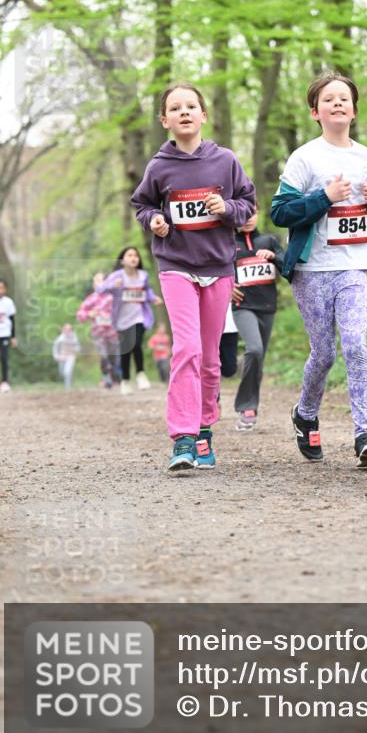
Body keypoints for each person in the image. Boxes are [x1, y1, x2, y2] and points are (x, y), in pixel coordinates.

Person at [131, 81, 256, 473]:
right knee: (186, 348)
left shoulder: (225, 161)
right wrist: (154, 220)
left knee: (210, 357)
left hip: (218, 267)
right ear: (165, 120)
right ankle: (182, 437)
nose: (184, 112)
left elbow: (249, 205)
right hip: (176, 266)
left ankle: (204, 430)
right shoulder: (159, 166)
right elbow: (142, 204)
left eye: (191, 106)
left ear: (203, 115)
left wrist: (227, 208)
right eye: (175, 108)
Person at [271, 70, 367, 468]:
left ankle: (365, 435)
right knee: (323, 354)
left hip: (353, 266)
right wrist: (323, 197)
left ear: (354, 110)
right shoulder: (305, 158)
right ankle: (305, 414)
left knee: (355, 344)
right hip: (312, 270)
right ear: (314, 112)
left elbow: (366, 208)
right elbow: (280, 212)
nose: (337, 103)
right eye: (328, 99)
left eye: (344, 98)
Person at [231, 206, 285, 431]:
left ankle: (250, 407)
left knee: (259, 357)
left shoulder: (268, 240)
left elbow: (288, 265)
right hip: (242, 306)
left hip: (267, 306)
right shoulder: (227, 244)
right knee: (254, 349)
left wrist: (274, 258)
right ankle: (246, 406)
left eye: (252, 213)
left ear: (258, 215)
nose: (247, 219)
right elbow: (215, 270)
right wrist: (226, 287)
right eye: (243, 215)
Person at [97, 248, 161, 395]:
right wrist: (113, 285)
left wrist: (153, 298)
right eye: (130, 255)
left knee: (136, 343)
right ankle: (125, 380)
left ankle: (140, 374)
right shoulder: (116, 276)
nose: (134, 258)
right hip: (121, 319)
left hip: (139, 316)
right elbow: (100, 289)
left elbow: (147, 291)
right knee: (126, 349)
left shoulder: (143, 275)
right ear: (123, 260)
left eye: (136, 255)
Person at [76, 273, 120, 388]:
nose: (98, 283)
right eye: (96, 281)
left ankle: (113, 377)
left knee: (113, 356)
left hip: (113, 332)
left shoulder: (113, 297)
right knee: (103, 355)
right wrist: (89, 314)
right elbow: (80, 314)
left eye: (101, 281)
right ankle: (107, 380)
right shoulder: (92, 298)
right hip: (98, 332)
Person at [52, 323, 81, 390]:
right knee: (62, 372)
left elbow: (78, 347)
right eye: (66, 329)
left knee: (67, 372)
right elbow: (55, 348)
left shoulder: (74, 338)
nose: (68, 330)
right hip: (62, 357)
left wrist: (74, 350)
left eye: (70, 329)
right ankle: (70, 382)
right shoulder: (60, 338)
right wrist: (56, 356)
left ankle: (68, 388)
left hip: (71, 357)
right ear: (63, 329)